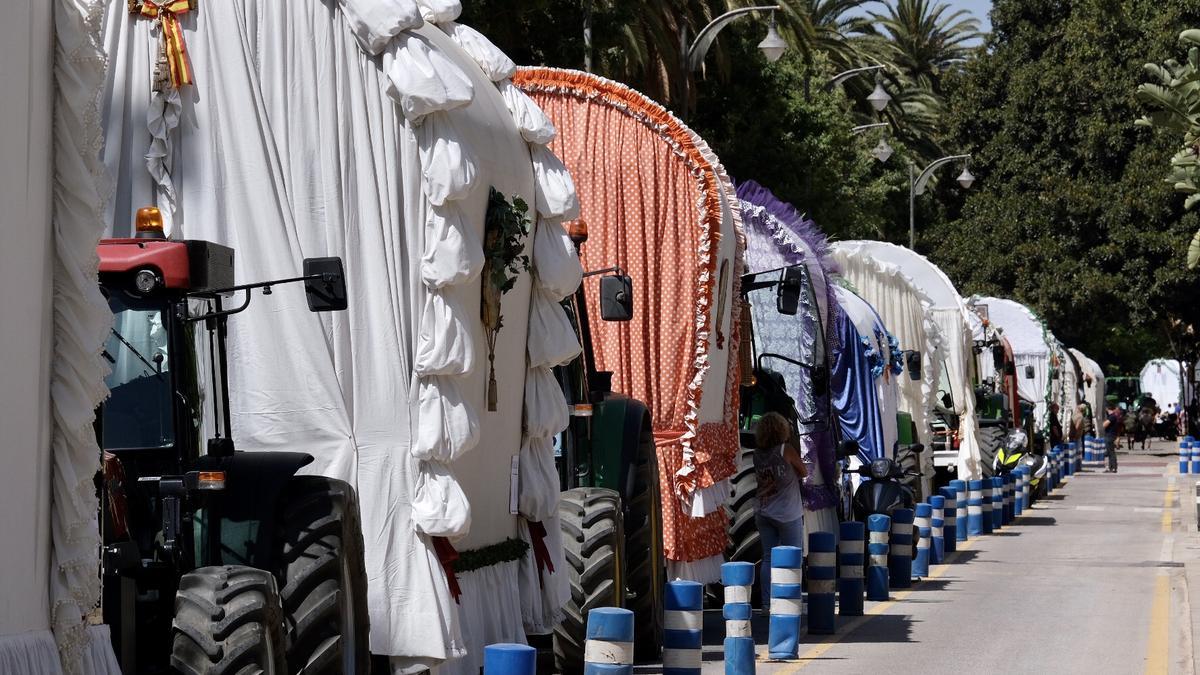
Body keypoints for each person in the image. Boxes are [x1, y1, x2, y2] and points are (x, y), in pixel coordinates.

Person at [752, 412, 808, 605]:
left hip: (763, 511)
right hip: (788, 512)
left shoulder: (757, 454)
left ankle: (767, 604)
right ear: (782, 429)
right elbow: (804, 471)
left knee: (768, 557)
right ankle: (791, 602)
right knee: (793, 555)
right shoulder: (786, 449)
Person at [1103, 400, 1120, 473]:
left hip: (1110, 436)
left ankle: (1113, 467)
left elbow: (1104, 425)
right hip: (1111, 435)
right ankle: (1111, 467)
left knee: (1111, 452)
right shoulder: (1113, 416)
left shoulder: (1112, 417)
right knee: (1110, 452)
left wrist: (1103, 422)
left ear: (1107, 408)